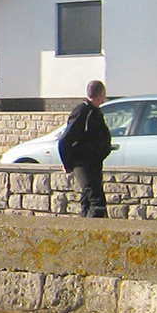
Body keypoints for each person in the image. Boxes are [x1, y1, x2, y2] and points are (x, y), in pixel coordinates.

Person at [58, 80, 112, 217]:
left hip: (94, 163)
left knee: (87, 200)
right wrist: (67, 164)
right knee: (97, 202)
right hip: (83, 164)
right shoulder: (83, 111)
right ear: (101, 94)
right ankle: (95, 232)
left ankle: (85, 226)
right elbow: (65, 141)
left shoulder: (95, 112)